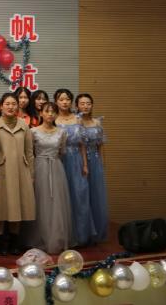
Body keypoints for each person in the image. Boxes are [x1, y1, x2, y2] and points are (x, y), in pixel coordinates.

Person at [0, 92, 36, 256]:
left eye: (13, 104)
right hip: (1, 170)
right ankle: (1, 241)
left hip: (21, 171)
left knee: (18, 206)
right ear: (1, 106)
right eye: (7, 104)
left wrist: (31, 174)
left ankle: (14, 241)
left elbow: (29, 152)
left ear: (18, 106)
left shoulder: (24, 125)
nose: (10, 107)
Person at [28, 103, 72, 254]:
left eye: (53, 112)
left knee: (56, 203)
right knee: (40, 201)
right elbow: (30, 152)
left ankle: (56, 238)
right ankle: (38, 237)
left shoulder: (61, 132)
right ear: (41, 113)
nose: (50, 114)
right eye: (47, 111)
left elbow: (62, 151)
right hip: (39, 166)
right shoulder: (33, 131)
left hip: (56, 168)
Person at [54, 88, 95, 247]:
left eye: (67, 99)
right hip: (59, 161)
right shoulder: (53, 118)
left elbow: (82, 144)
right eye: (61, 99)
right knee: (62, 198)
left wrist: (85, 164)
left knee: (80, 195)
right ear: (56, 101)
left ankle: (81, 235)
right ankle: (65, 236)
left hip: (76, 160)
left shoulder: (78, 119)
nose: (64, 102)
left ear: (71, 102)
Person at [77, 93, 109, 243]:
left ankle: (97, 231)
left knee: (97, 195)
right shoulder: (76, 122)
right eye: (82, 103)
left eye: (88, 103)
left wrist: (102, 163)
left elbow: (101, 145)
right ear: (77, 106)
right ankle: (84, 232)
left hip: (95, 161)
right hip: (79, 161)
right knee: (82, 196)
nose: (85, 106)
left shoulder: (97, 122)